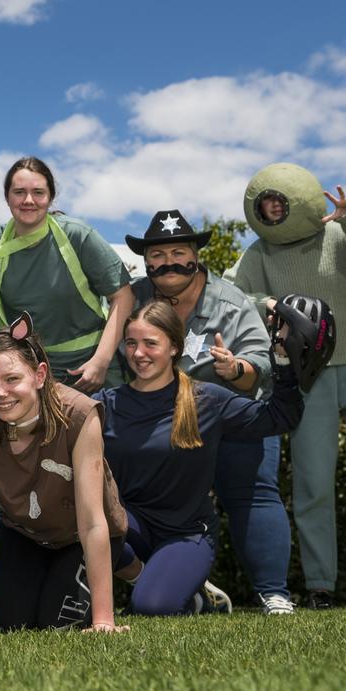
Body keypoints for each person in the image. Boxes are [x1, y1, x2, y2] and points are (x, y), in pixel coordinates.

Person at [227, 163, 346, 611]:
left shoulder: (343, 234)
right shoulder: (260, 253)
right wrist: (265, 301)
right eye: (265, 205)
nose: (272, 211)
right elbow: (230, 297)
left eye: (279, 203)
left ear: (300, 202)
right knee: (312, 481)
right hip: (308, 376)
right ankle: (321, 587)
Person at [125, 210, 295, 614]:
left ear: (196, 256)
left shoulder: (232, 301)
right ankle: (174, 583)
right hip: (164, 426)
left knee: (252, 494)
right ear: (146, 262)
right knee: (142, 501)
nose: (168, 262)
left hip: (232, 414)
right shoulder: (133, 297)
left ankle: (275, 594)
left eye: (179, 251)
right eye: (158, 255)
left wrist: (236, 369)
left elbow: (262, 361)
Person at [97, 300, 312, 616]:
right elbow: (55, 415)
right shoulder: (106, 403)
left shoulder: (207, 400)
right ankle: (148, 577)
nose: (138, 353)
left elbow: (280, 418)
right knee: (80, 520)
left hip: (187, 534)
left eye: (150, 343)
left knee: (152, 607)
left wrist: (283, 359)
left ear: (174, 348)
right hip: (132, 528)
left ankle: (192, 597)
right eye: (131, 343)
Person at [0, 313, 127, 633]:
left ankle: (122, 560)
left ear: (39, 374)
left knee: (57, 624)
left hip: (78, 535)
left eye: (11, 379)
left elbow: (91, 522)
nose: (0, 393)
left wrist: (104, 620)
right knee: (12, 624)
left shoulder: (78, 414)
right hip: (24, 533)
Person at [0, 157, 134, 392]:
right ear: (7, 198)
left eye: (38, 192)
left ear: (50, 197)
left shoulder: (78, 236)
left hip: (88, 369)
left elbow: (123, 296)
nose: (28, 200)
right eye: (19, 192)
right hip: (24, 372)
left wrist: (100, 362)